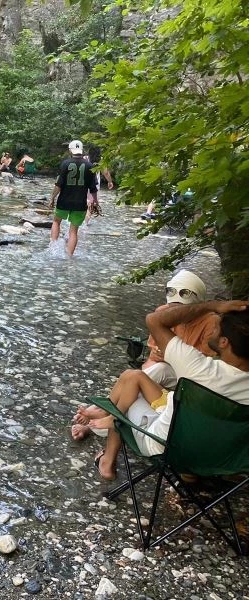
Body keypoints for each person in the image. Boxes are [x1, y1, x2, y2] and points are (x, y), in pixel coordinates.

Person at [84, 300, 249, 481]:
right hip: (224, 461)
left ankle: (108, 455)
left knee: (128, 385)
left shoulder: (199, 368)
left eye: (216, 329)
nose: (213, 330)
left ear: (224, 342)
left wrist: (212, 306)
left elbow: (154, 320)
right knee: (137, 378)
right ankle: (107, 419)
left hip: (168, 448)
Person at [71, 269, 219, 441]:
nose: (176, 315)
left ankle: (97, 420)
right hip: (168, 369)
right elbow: (152, 359)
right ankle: (103, 412)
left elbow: (206, 366)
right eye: (173, 309)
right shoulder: (163, 314)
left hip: (190, 378)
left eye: (182, 310)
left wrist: (172, 357)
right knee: (147, 375)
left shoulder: (211, 323)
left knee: (141, 381)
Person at [49, 140, 97, 257]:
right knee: (73, 230)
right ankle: (69, 256)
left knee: (56, 221)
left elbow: (58, 185)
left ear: (70, 150)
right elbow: (93, 188)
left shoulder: (65, 164)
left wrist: (52, 198)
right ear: (81, 150)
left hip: (64, 201)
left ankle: (53, 247)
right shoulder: (90, 166)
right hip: (80, 203)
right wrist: (95, 202)